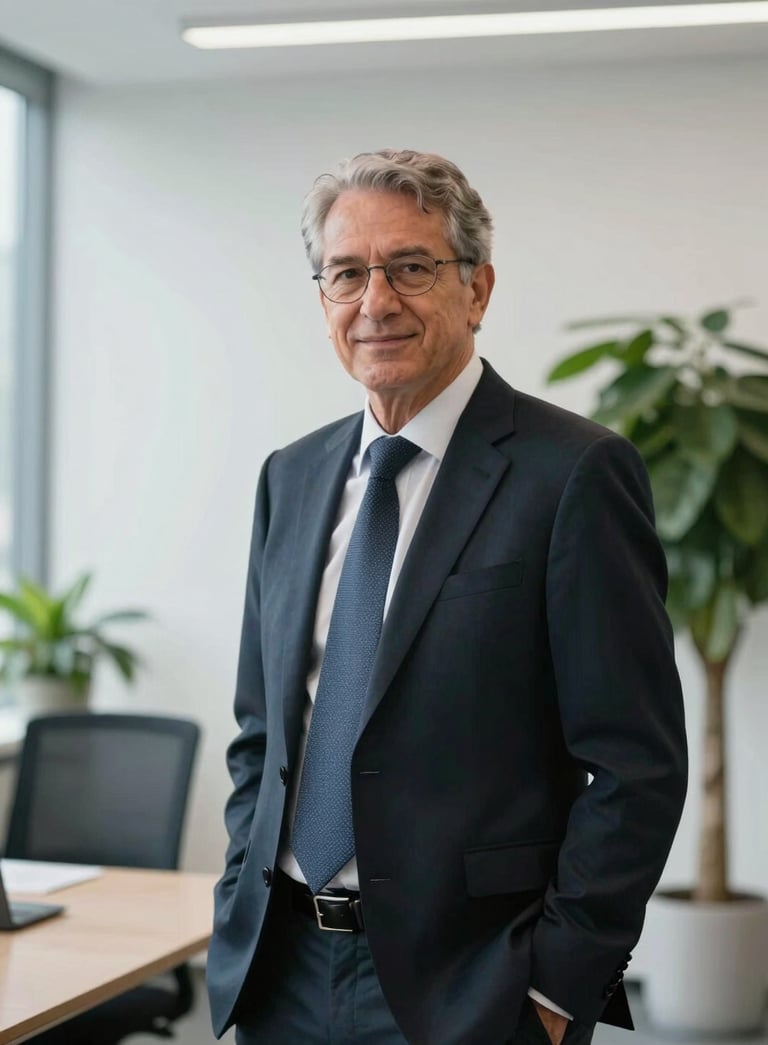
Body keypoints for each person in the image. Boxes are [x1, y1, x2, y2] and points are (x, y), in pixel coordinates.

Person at [207, 149, 687, 1045]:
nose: (376, 301)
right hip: (281, 974)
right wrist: (241, 883)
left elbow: (636, 766)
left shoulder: (573, 474)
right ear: (322, 300)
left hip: (475, 987)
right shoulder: (292, 478)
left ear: (478, 289)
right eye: (347, 273)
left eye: (412, 267)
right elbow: (261, 734)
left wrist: (554, 990)